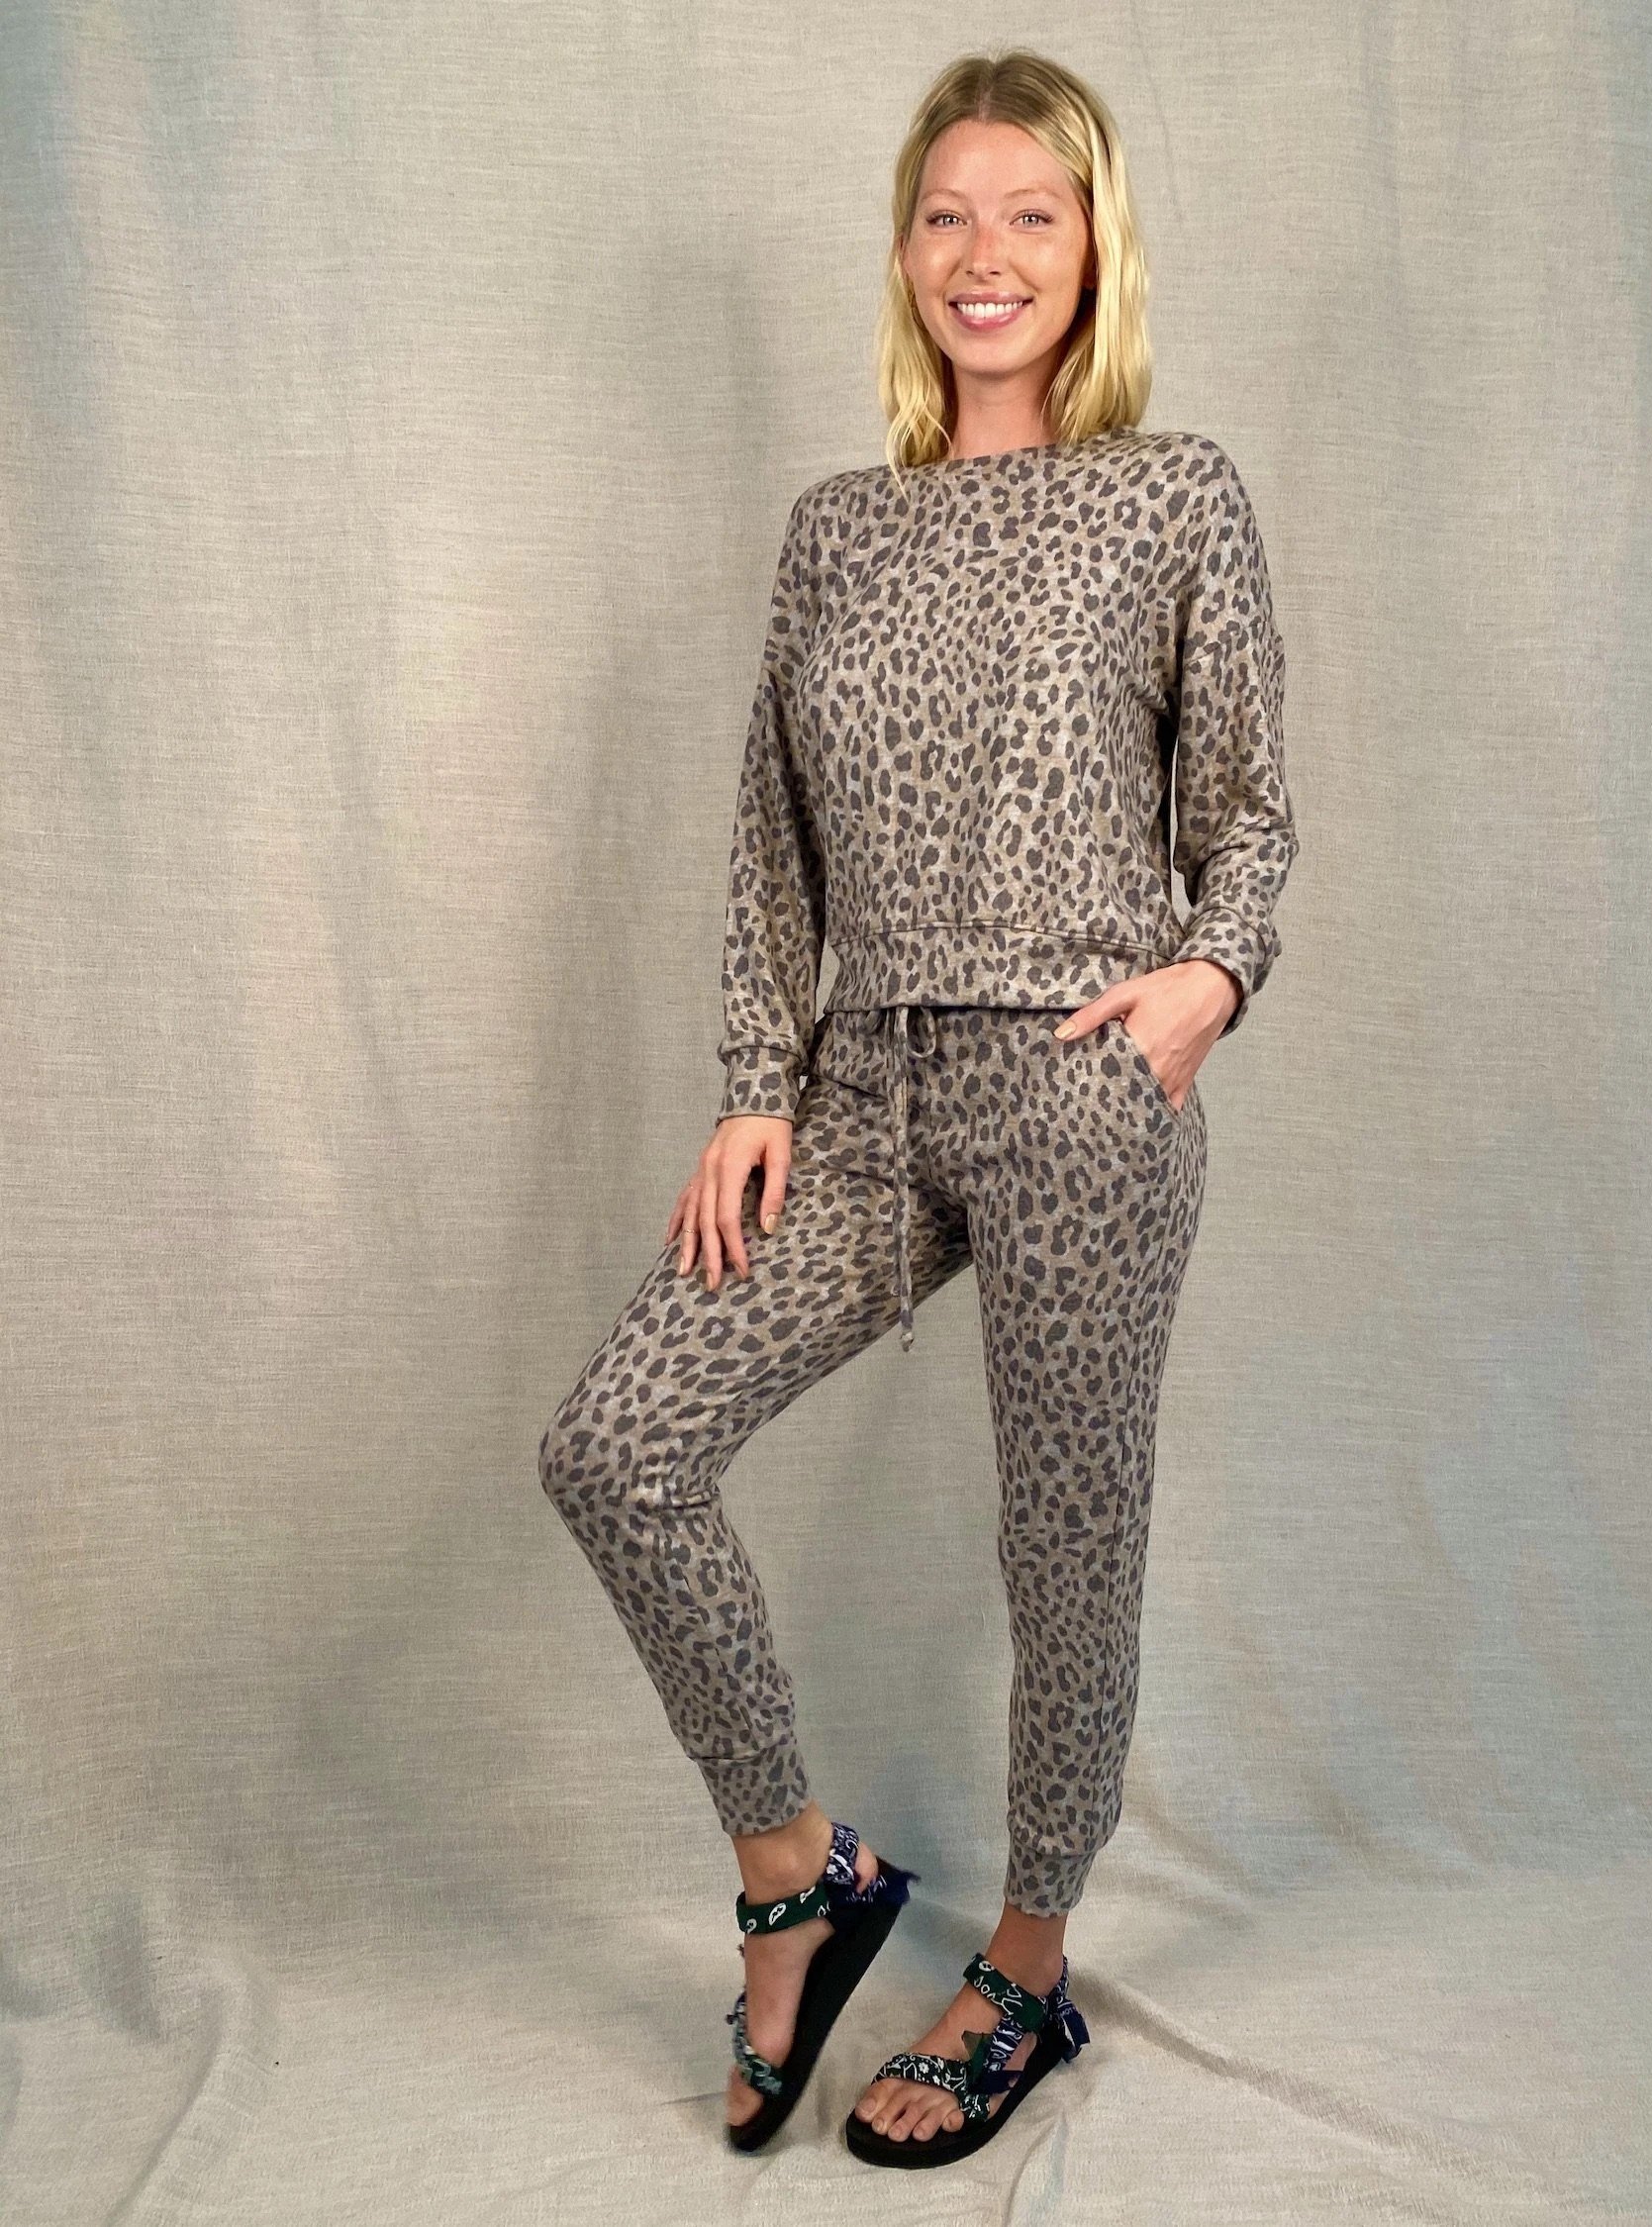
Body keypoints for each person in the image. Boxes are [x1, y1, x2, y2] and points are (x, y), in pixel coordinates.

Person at [537, 46, 1299, 2169]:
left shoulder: (1175, 495)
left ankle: (1026, 1974)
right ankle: (801, 1872)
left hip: (1079, 1086)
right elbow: (770, 842)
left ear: (1094, 250)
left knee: (1068, 1544)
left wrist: (1209, 981)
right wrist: (755, 1084)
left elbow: (1247, 804)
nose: (988, 254)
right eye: (949, 215)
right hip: (864, 1095)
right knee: (616, 1447)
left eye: (1032, 215)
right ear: (903, 255)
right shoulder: (836, 531)